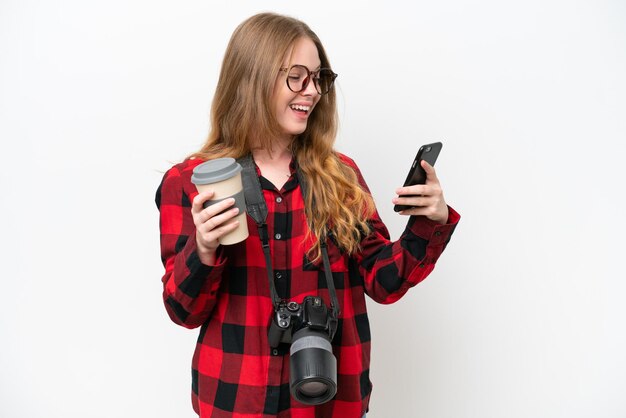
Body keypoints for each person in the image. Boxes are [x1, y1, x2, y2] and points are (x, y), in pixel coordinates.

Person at [155, 12, 460, 418]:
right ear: (253, 77)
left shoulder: (340, 175)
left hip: (332, 402)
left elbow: (384, 281)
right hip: (235, 400)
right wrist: (205, 248)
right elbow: (183, 312)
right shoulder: (191, 181)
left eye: (319, 78)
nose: (312, 91)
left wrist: (429, 221)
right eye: (297, 76)